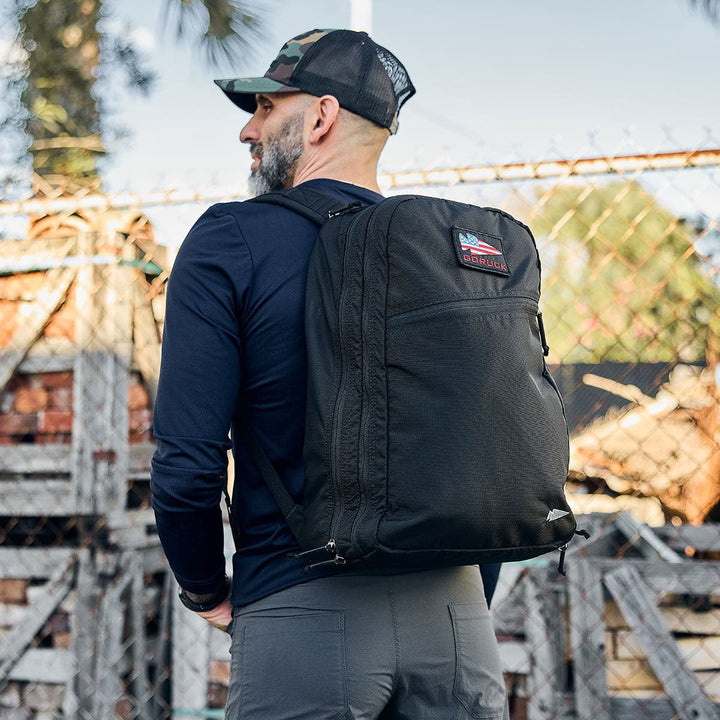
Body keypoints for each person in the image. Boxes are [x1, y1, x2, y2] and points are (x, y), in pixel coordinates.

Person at [151, 28, 509, 720]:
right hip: (460, 621)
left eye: (264, 109)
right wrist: (462, 598)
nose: (248, 131)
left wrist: (206, 588)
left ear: (320, 117)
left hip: (303, 611)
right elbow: (490, 452)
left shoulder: (232, 239)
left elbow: (188, 464)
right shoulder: (457, 255)